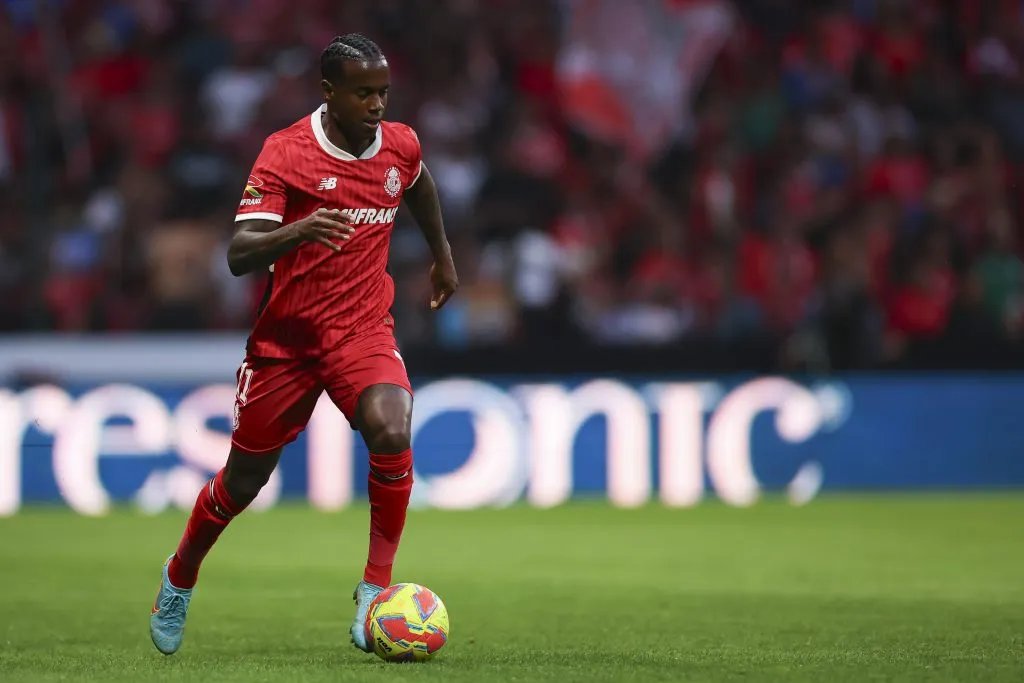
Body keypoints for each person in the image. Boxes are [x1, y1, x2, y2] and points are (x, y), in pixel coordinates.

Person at [149, 33, 459, 656]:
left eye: (383, 92)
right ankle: (179, 574)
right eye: (363, 93)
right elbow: (239, 254)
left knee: (392, 427)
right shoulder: (286, 152)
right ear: (329, 92)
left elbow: (418, 184)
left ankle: (374, 589)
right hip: (286, 343)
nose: (377, 104)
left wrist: (442, 257)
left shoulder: (400, 144)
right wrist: (301, 230)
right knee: (242, 483)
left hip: (362, 330)